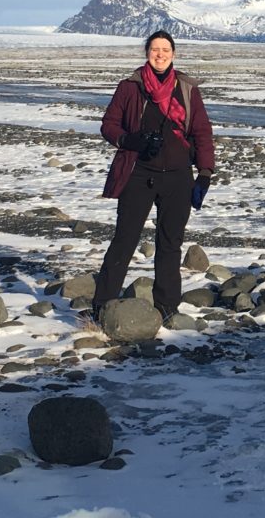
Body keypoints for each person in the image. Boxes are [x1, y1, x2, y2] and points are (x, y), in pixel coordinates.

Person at [92, 30, 215, 324]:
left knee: (170, 244)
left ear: (173, 54)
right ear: (147, 52)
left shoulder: (186, 88)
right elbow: (109, 125)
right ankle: (103, 307)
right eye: (155, 49)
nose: (160, 54)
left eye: (165, 50)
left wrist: (205, 172)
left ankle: (167, 308)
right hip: (138, 174)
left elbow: (201, 132)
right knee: (124, 239)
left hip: (178, 177)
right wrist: (129, 140)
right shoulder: (130, 87)